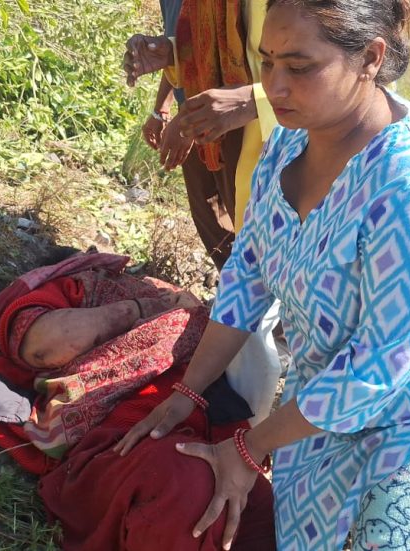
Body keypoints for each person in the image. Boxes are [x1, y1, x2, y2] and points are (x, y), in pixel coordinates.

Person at [115, 1, 410, 550]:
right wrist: (190, 389)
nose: (275, 86)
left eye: (300, 66)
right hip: (324, 393)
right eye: (267, 62)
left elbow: (381, 363)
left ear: (370, 59)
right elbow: (248, 275)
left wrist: (247, 448)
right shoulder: (291, 140)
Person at [0, 251, 276, 551]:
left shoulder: (169, 294)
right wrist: (139, 308)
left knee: (271, 522)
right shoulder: (81, 287)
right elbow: (44, 346)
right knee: (189, 487)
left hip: (213, 438)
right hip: (124, 443)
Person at [125, 1, 283, 427]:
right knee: (245, 275)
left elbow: (334, 78)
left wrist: (251, 101)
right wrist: (172, 57)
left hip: (283, 147)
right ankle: (241, 417)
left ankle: (251, 429)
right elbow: (208, 45)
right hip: (243, 138)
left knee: (266, 285)